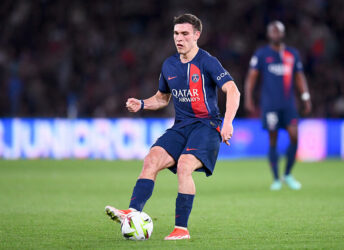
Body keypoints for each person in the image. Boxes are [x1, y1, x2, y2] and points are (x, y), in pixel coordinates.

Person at [105, 13, 240, 240]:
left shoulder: (208, 62)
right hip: (181, 126)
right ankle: (132, 211)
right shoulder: (169, 64)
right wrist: (142, 104)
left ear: (197, 35)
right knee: (152, 159)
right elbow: (162, 98)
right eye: (176, 33)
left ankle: (181, 229)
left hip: (207, 126)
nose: (179, 38)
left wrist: (227, 123)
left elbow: (233, 90)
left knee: (186, 164)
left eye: (185, 34)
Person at [244, 21, 312, 191]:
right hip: (270, 105)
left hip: (289, 104)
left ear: (283, 33)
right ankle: (275, 179)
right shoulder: (261, 54)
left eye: (278, 31)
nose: (275, 34)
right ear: (269, 35)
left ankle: (287, 174)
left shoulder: (292, 54)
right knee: (272, 139)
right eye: (272, 31)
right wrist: (248, 98)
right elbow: (251, 77)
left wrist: (305, 97)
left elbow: (299, 77)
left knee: (295, 137)